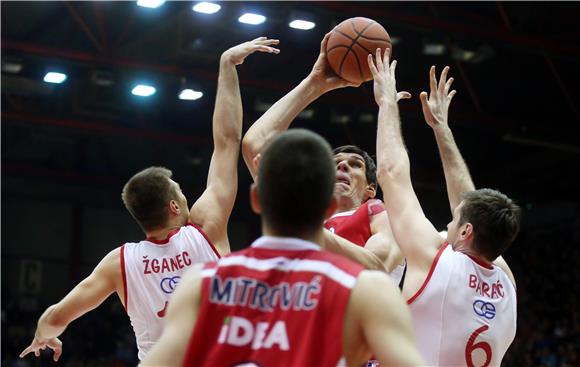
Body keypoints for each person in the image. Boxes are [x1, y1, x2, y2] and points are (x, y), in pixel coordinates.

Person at [19, 37, 281, 362]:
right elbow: (227, 141)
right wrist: (227, 65)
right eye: (181, 193)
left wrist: (46, 334)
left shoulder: (120, 262)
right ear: (174, 206)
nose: (185, 198)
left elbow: (56, 316)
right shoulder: (204, 227)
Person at [142, 129, 425, 366]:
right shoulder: (365, 289)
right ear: (328, 206)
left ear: (256, 200)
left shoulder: (200, 283)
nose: (343, 168)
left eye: (353, 165)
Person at [370, 47, 521, 366]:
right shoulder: (506, 283)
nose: (448, 224)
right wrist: (441, 128)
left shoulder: (434, 260)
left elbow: (391, 174)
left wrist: (386, 103)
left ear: (466, 230)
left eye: (455, 222)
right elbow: (470, 203)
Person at [242, 32, 407, 283]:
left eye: (355, 165)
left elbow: (377, 267)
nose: (342, 164)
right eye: (335, 163)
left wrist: (302, 225)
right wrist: (314, 84)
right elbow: (255, 145)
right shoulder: (304, 212)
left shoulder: (375, 211)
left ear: (370, 189)